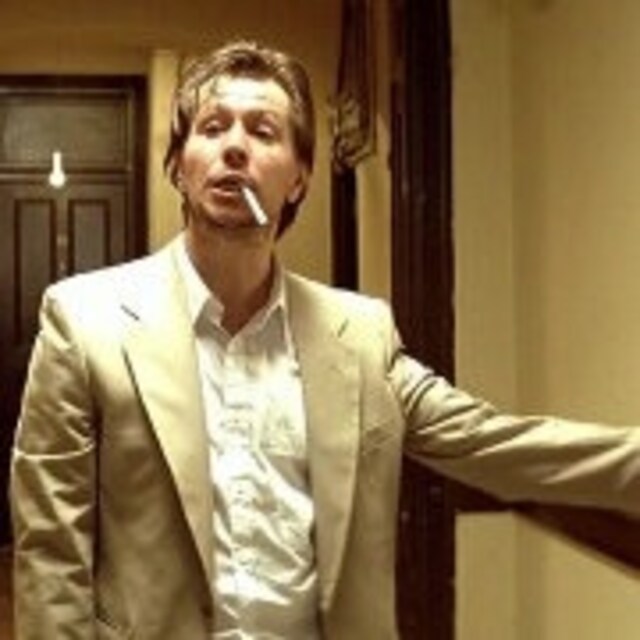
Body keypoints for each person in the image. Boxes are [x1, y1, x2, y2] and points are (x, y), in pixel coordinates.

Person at [10, 40, 640, 640]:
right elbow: (51, 555)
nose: (235, 148)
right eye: (213, 127)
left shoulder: (359, 335)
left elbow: (491, 442)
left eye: (263, 132)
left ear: (300, 178)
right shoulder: (85, 321)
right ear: (178, 165)